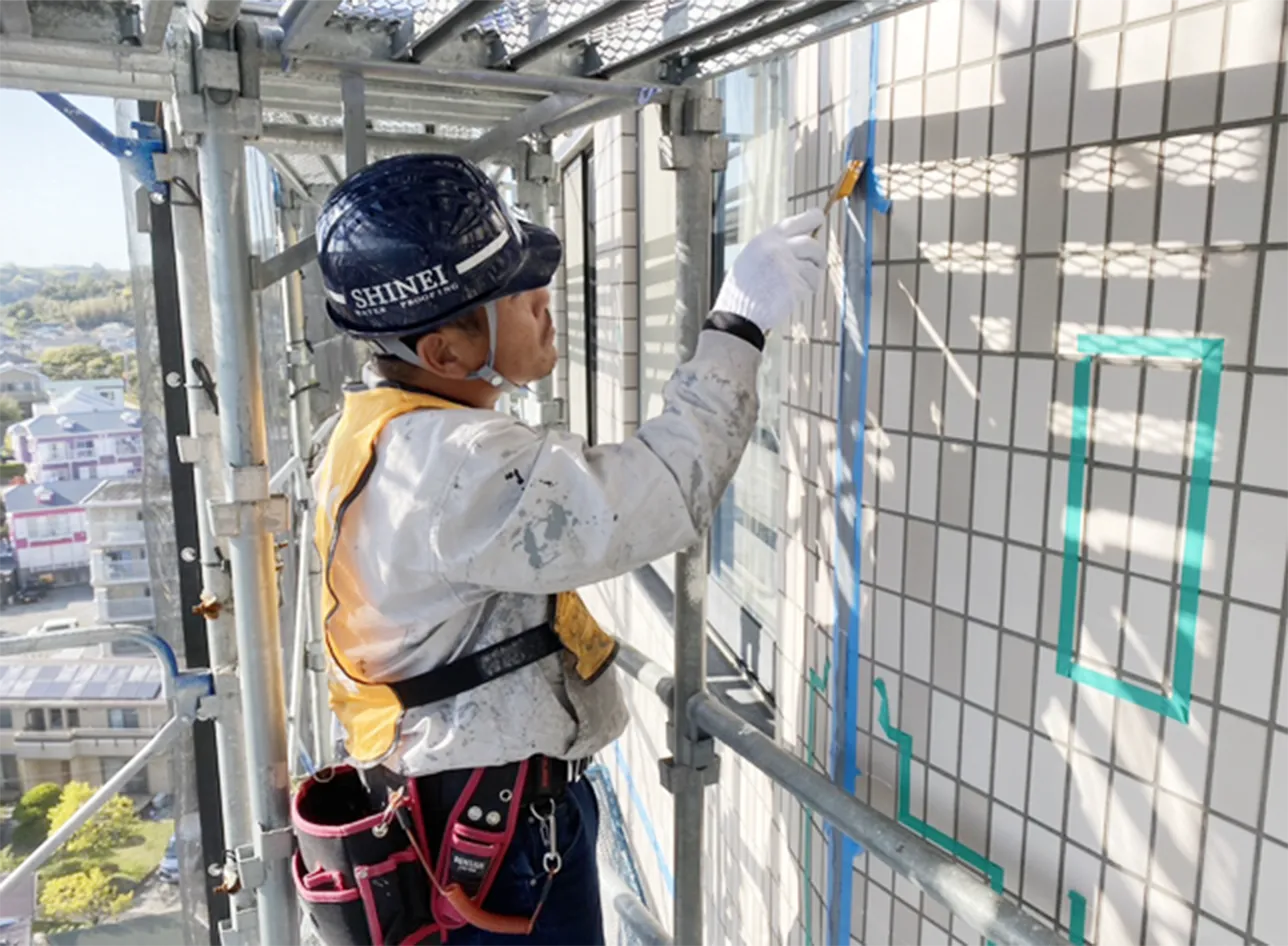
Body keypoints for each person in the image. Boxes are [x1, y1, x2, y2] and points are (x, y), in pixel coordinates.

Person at [307, 152, 825, 945]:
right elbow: (657, 493)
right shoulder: (450, 468)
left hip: (464, 806)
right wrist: (738, 324)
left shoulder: (382, 430)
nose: (543, 301)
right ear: (444, 354)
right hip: (493, 838)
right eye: (515, 295)